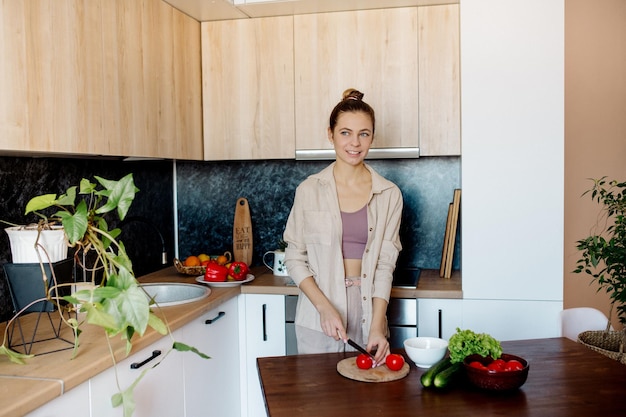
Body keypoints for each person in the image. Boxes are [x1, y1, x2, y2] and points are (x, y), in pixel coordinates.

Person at [283, 88, 403, 366]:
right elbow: (294, 256)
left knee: (369, 403)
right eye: (345, 132)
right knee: (320, 403)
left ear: (373, 137)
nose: (355, 143)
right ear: (331, 134)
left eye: (364, 134)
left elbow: (385, 265)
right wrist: (324, 308)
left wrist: (376, 324)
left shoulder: (389, 194)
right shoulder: (309, 190)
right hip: (318, 312)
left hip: (368, 311)